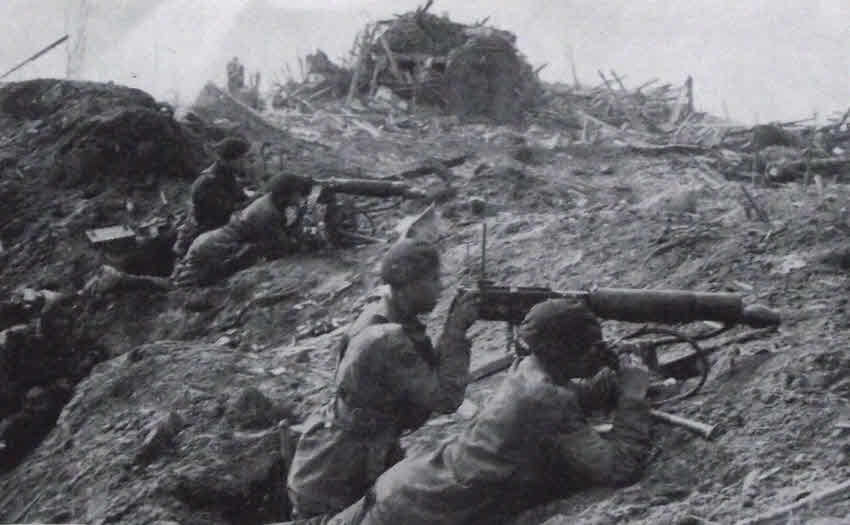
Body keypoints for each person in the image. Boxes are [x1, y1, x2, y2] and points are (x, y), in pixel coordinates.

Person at [285, 297, 654, 525]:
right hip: (419, 512)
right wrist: (633, 395)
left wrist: (611, 380)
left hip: (410, 488)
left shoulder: (530, 369)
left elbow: (573, 398)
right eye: (590, 347)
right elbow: (619, 467)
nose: (596, 353)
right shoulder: (544, 396)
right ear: (562, 351)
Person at [285, 238, 480, 519]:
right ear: (409, 284)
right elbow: (446, 398)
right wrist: (456, 331)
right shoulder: (386, 338)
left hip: (353, 454)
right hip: (338, 474)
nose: (441, 287)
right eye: (433, 279)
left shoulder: (382, 314)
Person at [172, 172, 313, 287]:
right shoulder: (266, 212)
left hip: (211, 242)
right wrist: (301, 219)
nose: (301, 197)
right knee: (188, 283)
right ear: (287, 193)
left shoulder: (271, 201)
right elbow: (282, 246)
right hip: (213, 247)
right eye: (299, 193)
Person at [172, 136, 251, 258]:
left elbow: (241, 199)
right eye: (243, 158)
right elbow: (222, 215)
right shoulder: (209, 182)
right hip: (200, 241)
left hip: (212, 232)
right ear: (231, 159)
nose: (245, 163)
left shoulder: (227, 175)